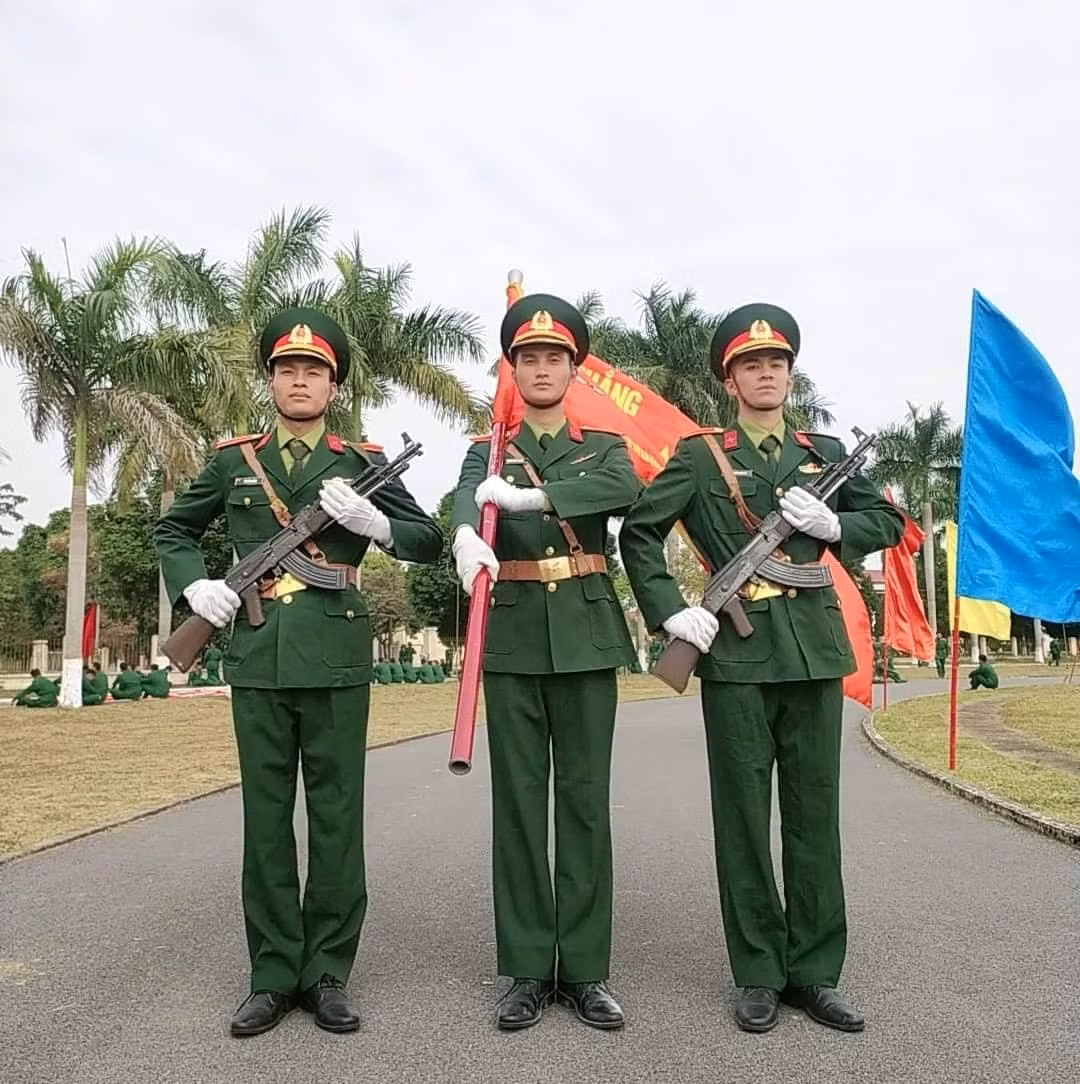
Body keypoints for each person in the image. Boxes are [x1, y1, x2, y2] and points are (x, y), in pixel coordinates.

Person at [154, 307, 442, 1038]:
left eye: (314, 371)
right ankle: (272, 974)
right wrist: (195, 588)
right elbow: (174, 529)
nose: (301, 380)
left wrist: (377, 524)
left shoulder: (360, 462)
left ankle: (327, 974)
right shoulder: (233, 461)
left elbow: (427, 540)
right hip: (256, 659)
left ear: (333, 385)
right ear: (272, 381)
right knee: (266, 824)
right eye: (288, 370)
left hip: (337, 661)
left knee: (338, 823)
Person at [620, 302, 904, 1035]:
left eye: (776, 362)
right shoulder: (699, 455)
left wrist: (837, 525)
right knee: (744, 819)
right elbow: (642, 535)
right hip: (738, 658)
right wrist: (669, 611)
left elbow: (889, 524)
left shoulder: (824, 452)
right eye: (751, 364)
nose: (766, 372)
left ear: (790, 373)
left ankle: (815, 973)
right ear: (730, 379)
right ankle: (757, 973)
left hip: (812, 654)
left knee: (816, 818)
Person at [450, 293, 641, 1031]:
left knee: (585, 806)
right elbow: (461, 501)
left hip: (588, 635)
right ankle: (530, 968)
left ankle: (586, 971)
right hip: (516, 638)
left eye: (553, 357)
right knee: (522, 809)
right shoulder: (485, 450)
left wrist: (533, 498)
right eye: (527, 357)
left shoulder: (603, 446)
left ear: (572, 369)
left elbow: (622, 490)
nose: (539, 368)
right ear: (513, 368)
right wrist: (467, 533)